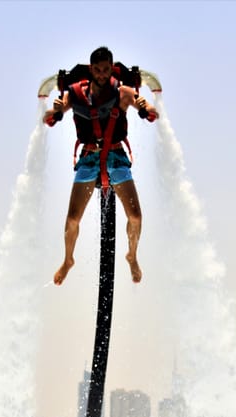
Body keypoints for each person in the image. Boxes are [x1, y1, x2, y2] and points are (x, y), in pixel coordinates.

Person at [44, 46, 159, 285]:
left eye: (106, 69)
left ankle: (132, 256)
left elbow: (140, 103)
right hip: (89, 160)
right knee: (73, 220)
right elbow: (57, 111)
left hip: (116, 159)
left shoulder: (123, 92)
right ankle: (68, 260)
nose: (102, 74)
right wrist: (55, 110)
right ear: (91, 69)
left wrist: (147, 109)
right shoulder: (75, 94)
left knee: (136, 217)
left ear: (111, 68)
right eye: (97, 70)